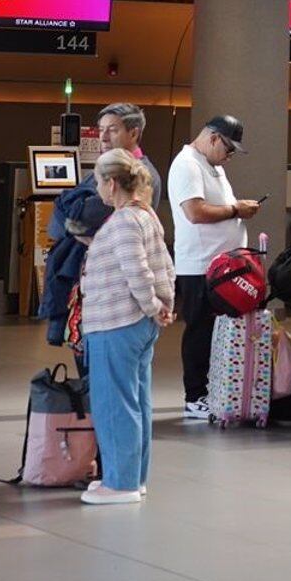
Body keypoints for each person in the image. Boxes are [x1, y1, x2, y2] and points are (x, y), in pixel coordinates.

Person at [78, 148, 175, 505]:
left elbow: (137, 271)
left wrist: (151, 305)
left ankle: (120, 484)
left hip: (115, 322)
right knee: (137, 401)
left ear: (112, 182)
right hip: (140, 325)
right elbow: (165, 266)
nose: (98, 191)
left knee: (114, 403)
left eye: (99, 182)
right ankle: (135, 477)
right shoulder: (147, 215)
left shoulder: (121, 222)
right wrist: (163, 307)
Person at [43, 103, 160, 360]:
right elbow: (58, 219)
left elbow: (90, 215)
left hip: (115, 297)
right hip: (87, 286)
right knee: (88, 364)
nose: (104, 137)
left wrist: (76, 221)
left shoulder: (143, 174)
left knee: (105, 375)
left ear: (134, 133)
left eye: (113, 130)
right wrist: (75, 224)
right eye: (101, 130)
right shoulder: (102, 170)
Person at [168, 117, 260, 419]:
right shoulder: (187, 165)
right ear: (212, 138)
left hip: (221, 266)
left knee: (215, 331)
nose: (230, 156)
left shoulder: (213, 167)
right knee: (199, 330)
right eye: (229, 148)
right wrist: (236, 209)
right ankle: (195, 396)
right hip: (199, 265)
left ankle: (211, 390)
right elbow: (194, 212)